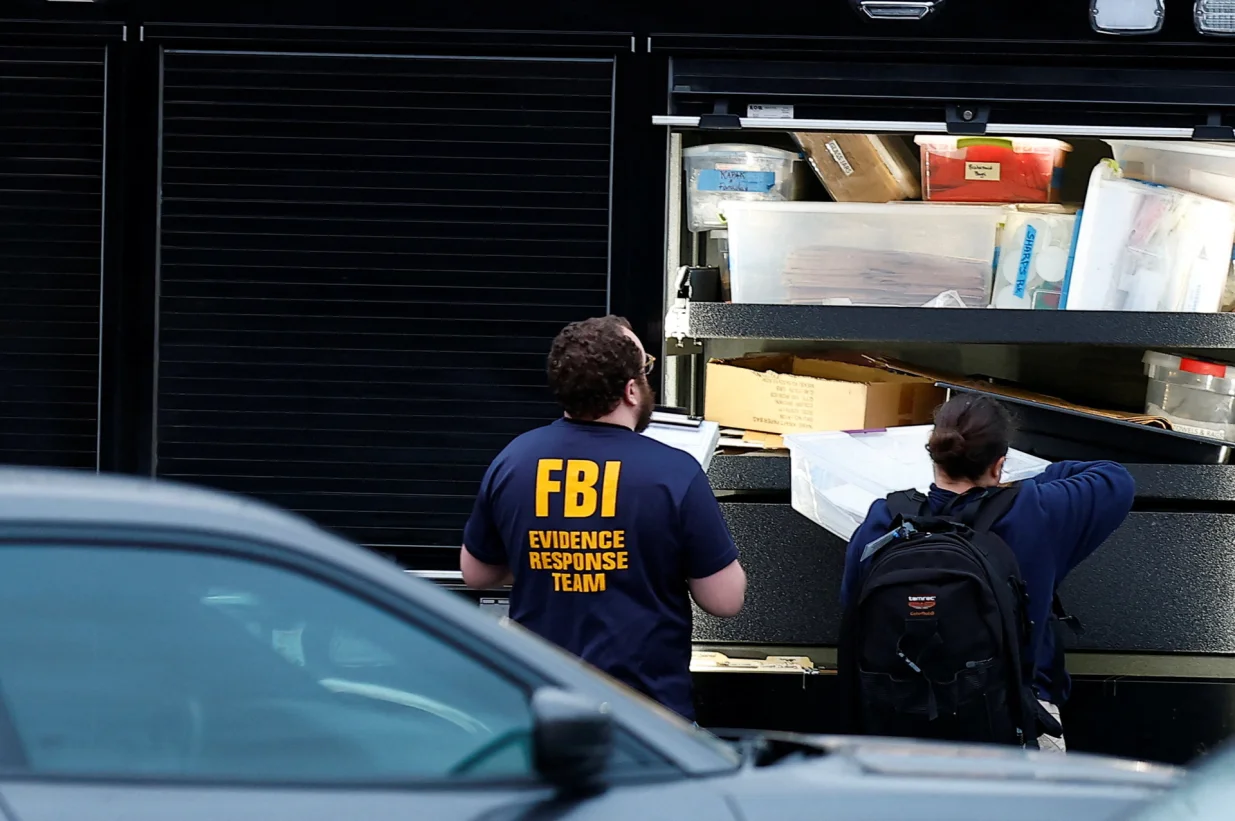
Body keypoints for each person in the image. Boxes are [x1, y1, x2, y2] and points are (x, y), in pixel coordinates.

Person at [459, 315, 746, 721]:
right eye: (645, 369)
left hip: (543, 709)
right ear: (631, 391)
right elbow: (725, 599)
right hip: (647, 718)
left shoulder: (514, 459)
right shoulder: (675, 472)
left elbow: (476, 573)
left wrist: (551, 554)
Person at [841, 394, 1135, 752]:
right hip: (1014, 729)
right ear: (999, 464)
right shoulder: (1037, 510)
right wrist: (1034, 480)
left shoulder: (883, 519)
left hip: (896, 731)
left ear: (934, 455)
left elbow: (851, 611)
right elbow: (1114, 477)